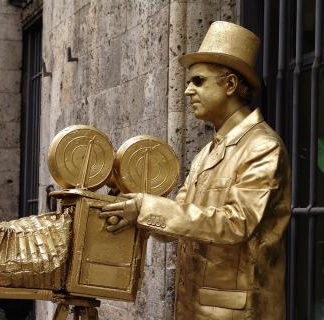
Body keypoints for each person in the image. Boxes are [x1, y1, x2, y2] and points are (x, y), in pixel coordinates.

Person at [100, 21, 291, 319]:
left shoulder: (263, 147)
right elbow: (181, 218)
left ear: (229, 85)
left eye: (198, 81)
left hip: (236, 312)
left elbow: (236, 223)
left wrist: (147, 207)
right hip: (195, 307)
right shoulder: (207, 152)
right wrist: (134, 212)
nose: (188, 91)